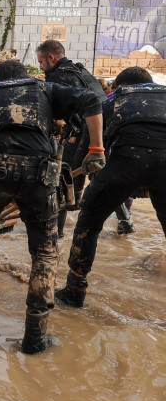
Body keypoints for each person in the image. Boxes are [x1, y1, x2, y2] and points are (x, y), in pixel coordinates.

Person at [0, 60, 104, 354]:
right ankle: (35, 336)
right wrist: (96, 149)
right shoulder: (45, 88)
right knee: (44, 252)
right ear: (24, 77)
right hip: (38, 175)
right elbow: (92, 99)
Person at [56, 66, 166, 308]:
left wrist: (72, 195)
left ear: (118, 86)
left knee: (89, 222)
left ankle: (74, 290)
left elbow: (89, 152)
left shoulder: (111, 100)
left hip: (127, 160)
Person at [36, 39, 109, 237]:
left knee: (62, 175)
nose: (41, 67)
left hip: (87, 130)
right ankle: (125, 221)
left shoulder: (57, 77)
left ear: (51, 58)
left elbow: (48, 112)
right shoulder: (79, 70)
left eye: (41, 62)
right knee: (102, 175)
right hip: (107, 128)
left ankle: (56, 232)